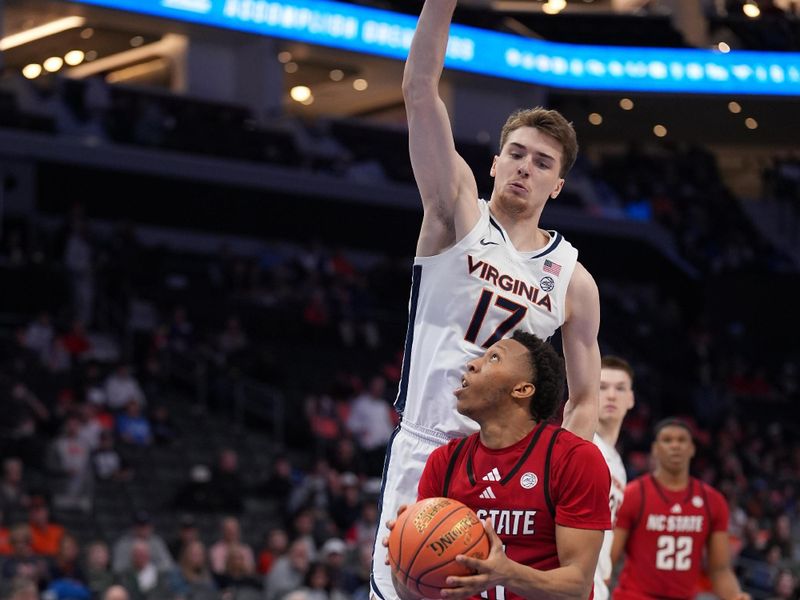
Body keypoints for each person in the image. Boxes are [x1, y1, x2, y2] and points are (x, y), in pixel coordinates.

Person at [372, 0, 601, 596]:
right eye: (517, 155)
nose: (526, 168)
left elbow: (584, 399)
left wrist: (553, 470)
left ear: (559, 183)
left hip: (510, 466)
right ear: (495, 162)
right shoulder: (456, 214)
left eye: (542, 162)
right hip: (427, 444)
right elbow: (419, 88)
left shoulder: (573, 279)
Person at [388, 332, 610, 599]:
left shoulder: (574, 458)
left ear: (522, 389)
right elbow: (412, 593)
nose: (472, 364)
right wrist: (405, 555)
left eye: (493, 357)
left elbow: (578, 587)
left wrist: (506, 574)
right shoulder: (444, 462)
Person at [610, 419, 750, 600]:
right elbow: (609, 558)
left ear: (692, 448)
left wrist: (735, 596)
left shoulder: (712, 501)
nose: (675, 445)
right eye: (667, 440)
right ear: (655, 449)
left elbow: (720, 569)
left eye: (682, 440)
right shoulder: (634, 495)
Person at [592, 356, 635, 600]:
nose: (611, 395)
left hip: (598, 585)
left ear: (630, 399)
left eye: (620, 388)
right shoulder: (580, 443)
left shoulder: (618, 465)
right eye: (602, 387)